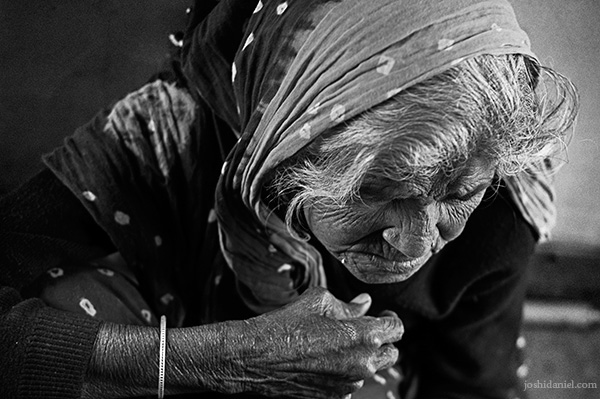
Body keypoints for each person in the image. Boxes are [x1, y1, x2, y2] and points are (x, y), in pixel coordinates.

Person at [0, 0, 578, 398]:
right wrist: (206, 360)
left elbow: (475, 384)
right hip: (160, 347)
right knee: (65, 306)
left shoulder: (502, 210)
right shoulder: (158, 141)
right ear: (286, 144)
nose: (418, 241)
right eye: (378, 189)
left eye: (460, 193)